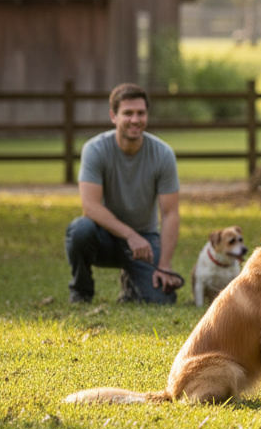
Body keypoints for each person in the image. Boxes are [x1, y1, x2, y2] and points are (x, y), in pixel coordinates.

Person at [65, 82, 182, 304]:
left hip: (145, 242)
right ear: (113, 116)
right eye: (127, 113)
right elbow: (89, 207)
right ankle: (81, 290)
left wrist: (164, 265)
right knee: (80, 229)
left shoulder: (163, 154)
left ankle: (131, 287)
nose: (135, 120)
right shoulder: (95, 149)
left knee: (162, 299)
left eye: (141, 113)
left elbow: (170, 214)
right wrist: (130, 235)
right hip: (104, 237)